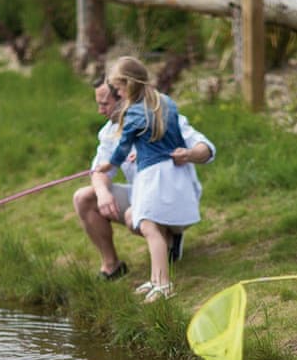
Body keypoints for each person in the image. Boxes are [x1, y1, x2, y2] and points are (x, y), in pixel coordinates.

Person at [73, 65, 215, 299]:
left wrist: (188, 154)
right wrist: (103, 192)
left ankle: (169, 249)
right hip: (144, 190)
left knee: (136, 218)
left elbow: (206, 148)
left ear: (123, 95)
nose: (100, 110)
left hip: (170, 191)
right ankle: (113, 267)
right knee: (85, 197)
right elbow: (99, 170)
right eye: (97, 104)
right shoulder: (108, 132)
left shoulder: (163, 114)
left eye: (105, 103)